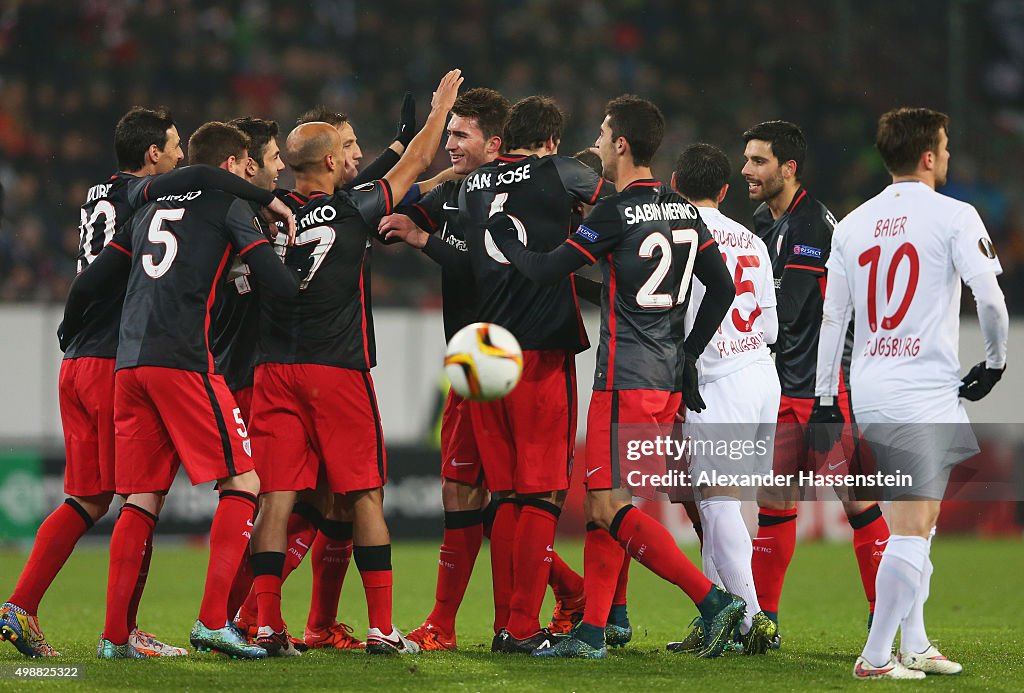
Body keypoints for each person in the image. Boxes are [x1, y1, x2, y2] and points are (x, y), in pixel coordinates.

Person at [0, 108, 295, 659]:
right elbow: (204, 179)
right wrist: (261, 201)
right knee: (154, 493)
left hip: (85, 357)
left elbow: (94, 275)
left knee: (92, 497)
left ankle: (26, 606)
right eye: (173, 146)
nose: (180, 155)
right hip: (128, 354)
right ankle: (151, 628)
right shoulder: (154, 194)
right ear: (153, 156)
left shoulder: (102, 196)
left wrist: (68, 320)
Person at [486, 95, 743, 659]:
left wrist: (508, 243)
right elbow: (721, 288)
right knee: (615, 504)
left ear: (622, 144)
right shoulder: (684, 211)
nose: (598, 142)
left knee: (605, 506)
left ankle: (713, 601)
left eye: (603, 134)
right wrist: (689, 354)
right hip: (666, 380)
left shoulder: (615, 211)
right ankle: (596, 630)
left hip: (624, 378)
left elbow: (547, 270)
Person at [245, 68, 463, 656]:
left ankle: (266, 626)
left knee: (277, 498)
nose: (352, 160)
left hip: (273, 370)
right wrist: (439, 113)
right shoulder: (351, 212)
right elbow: (413, 166)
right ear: (325, 164)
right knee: (365, 494)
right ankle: (381, 628)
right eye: (342, 152)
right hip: (336, 369)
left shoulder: (263, 216)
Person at [389, 95, 609, 653]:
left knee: (505, 496)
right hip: (496, 354)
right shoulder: (466, 187)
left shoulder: (475, 189)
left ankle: (512, 618)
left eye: (461, 136)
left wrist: (424, 236)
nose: (452, 146)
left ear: (497, 144)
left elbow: (465, 252)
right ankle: (501, 621)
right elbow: (404, 208)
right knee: (491, 493)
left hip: (488, 349)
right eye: (449, 135)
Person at [813, 107, 1007, 679]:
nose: (947, 156)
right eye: (943, 147)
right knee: (913, 525)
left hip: (872, 386)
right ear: (928, 155)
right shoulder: (954, 215)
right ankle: (874, 658)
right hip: (922, 388)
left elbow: (834, 320)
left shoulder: (851, 224)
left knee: (921, 521)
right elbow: (991, 300)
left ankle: (915, 642)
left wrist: (827, 398)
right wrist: (995, 363)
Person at [741, 121, 890, 639]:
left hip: (824, 390)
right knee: (775, 502)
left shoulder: (813, 227)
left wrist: (734, 330)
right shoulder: (763, 223)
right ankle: (764, 623)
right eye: (747, 160)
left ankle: (884, 618)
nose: (747, 171)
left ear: (789, 168)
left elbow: (791, 308)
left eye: (759, 161)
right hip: (782, 389)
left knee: (859, 502)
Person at [663, 143, 780, 655]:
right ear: (725, 190)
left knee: (718, 505)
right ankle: (721, 624)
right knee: (722, 510)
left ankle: (752, 620)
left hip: (715, 382)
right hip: (761, 374)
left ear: (673, 184)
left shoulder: (677, 235)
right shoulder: (753, 238)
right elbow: (773, 324)